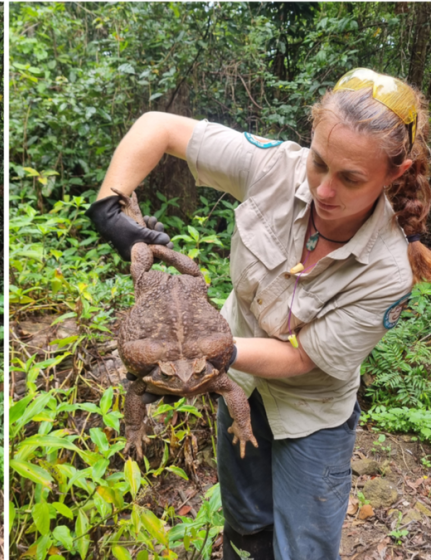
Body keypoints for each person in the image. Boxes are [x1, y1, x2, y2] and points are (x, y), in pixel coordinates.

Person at [88, 68, 431, 560]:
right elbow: (157, 128)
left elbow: (301, 359)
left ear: (394, 175)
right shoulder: (274, 167)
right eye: (319, 163)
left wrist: (198, 354)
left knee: (304, 549)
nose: (324, 190)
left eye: (350, 178)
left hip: (311, 412)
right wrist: (110, 208)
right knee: (246, 529)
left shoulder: (388, 270)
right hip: (240, 388)